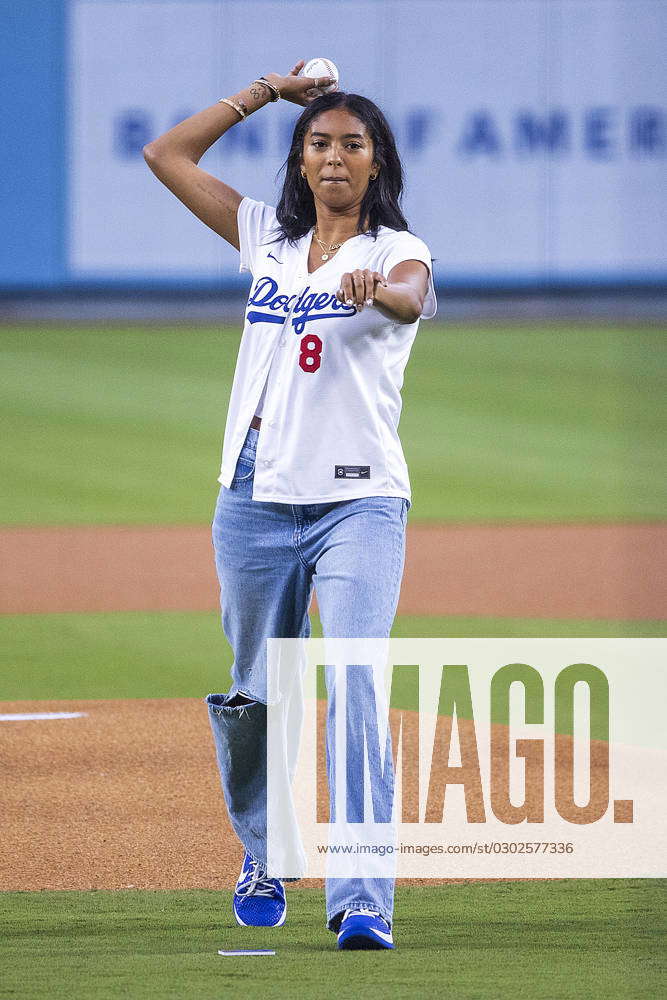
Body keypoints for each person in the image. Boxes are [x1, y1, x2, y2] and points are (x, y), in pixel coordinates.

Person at [144, 59, 436, 951]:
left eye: (354, 144)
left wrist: (374, 291)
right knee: (252, 695)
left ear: (378, 161)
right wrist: (268, 92)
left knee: (352, 685)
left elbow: (411, 294)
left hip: (359, 505)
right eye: (320, 143)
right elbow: (167, 153)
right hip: (253, 500)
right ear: (301, 159)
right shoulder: (267, 238)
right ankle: (266, 853)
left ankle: (361, 900)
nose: (335, 157)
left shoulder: (392, 251)